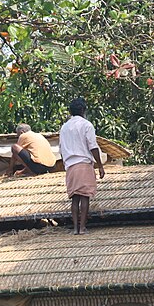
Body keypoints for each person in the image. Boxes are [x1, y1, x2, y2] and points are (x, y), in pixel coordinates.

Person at [59, 98, 105, 234]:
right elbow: (93, 146)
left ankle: (75, 228)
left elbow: (61, 149)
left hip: (70, 165)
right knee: (84, 196)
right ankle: (83, 227)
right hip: (84, 163)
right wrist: (100, 165)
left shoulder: (64, 127)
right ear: (83, 110)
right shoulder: (86, 125)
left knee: (75, 198)